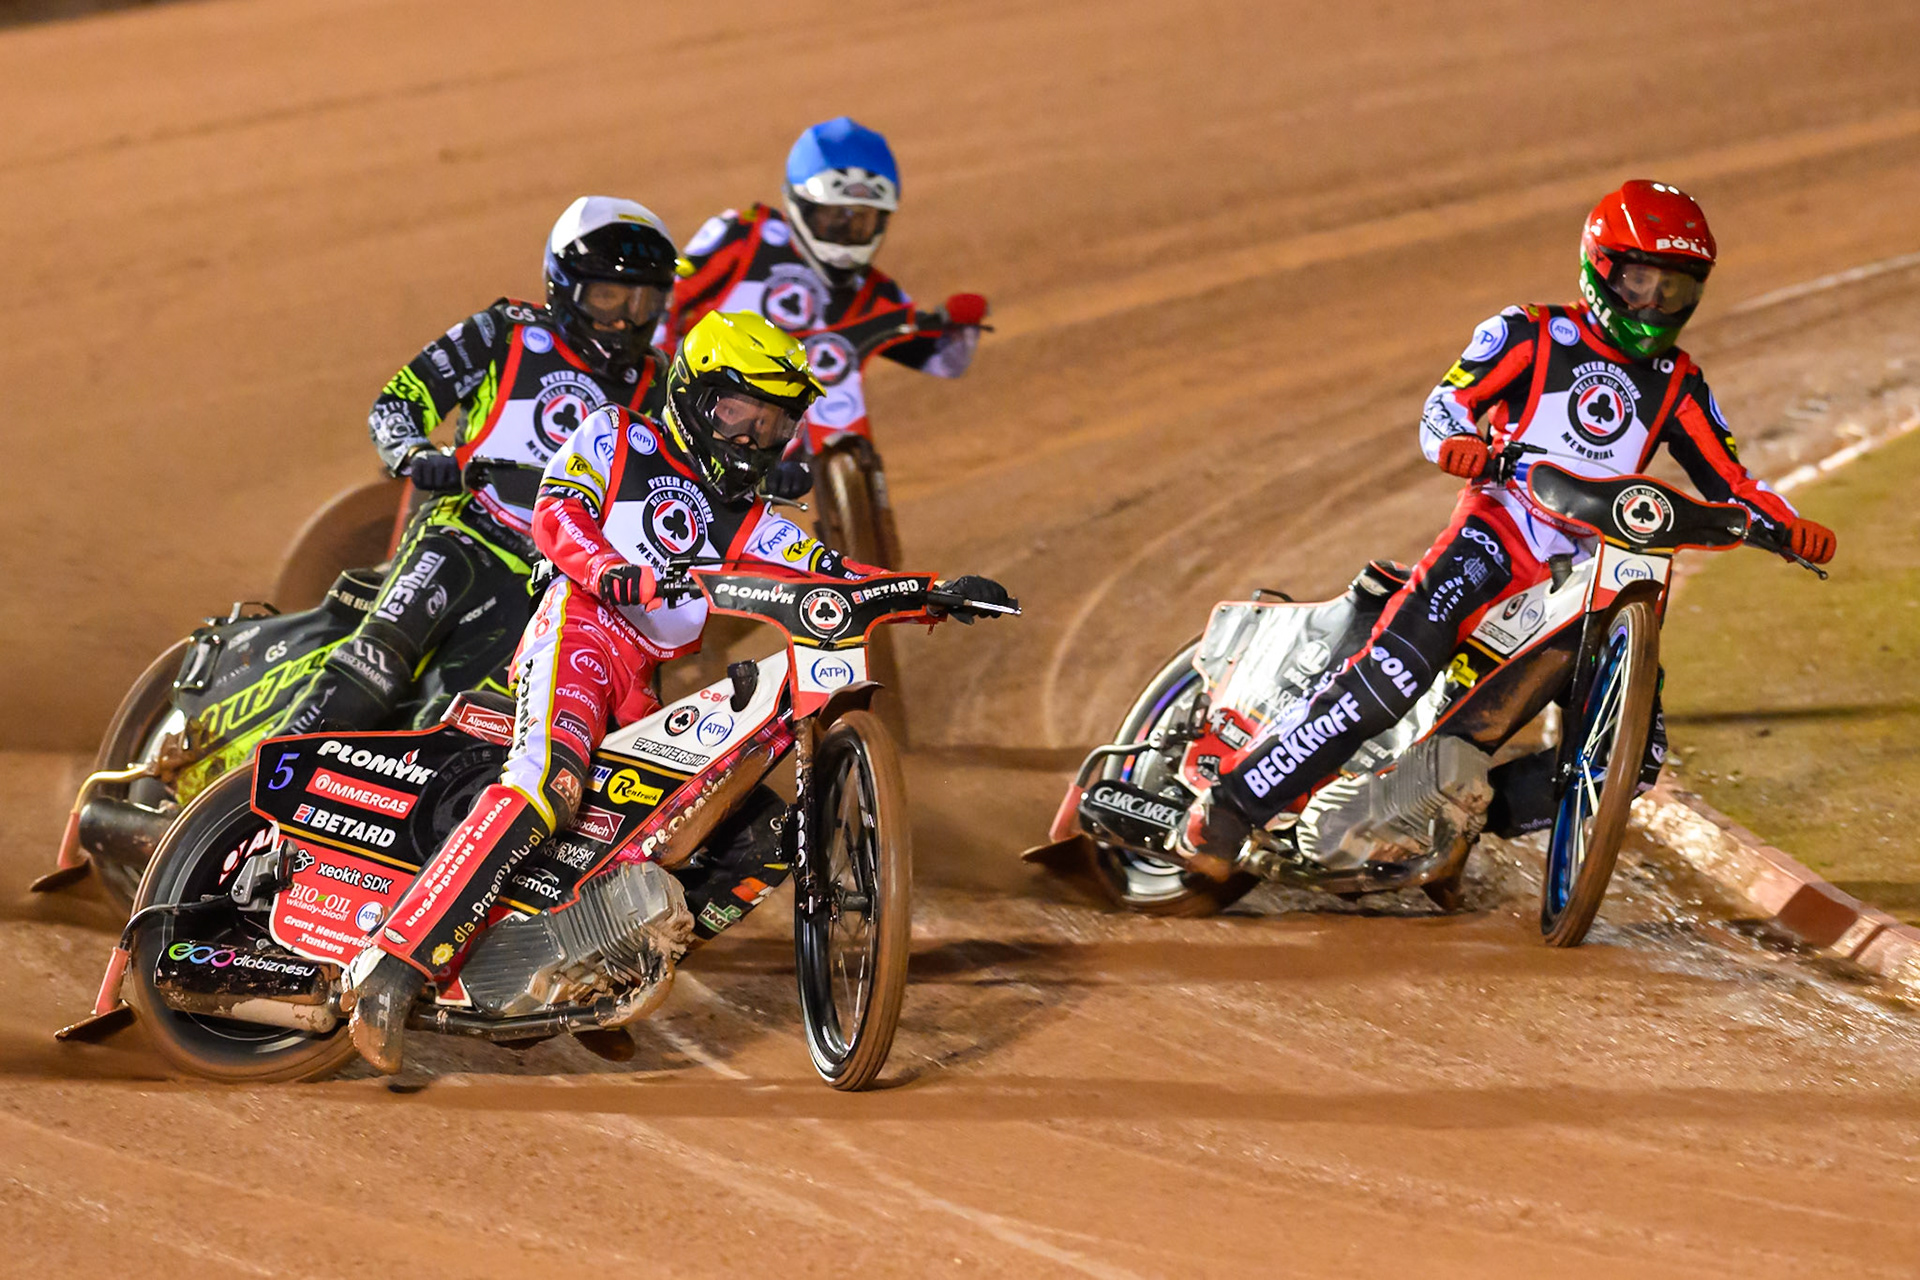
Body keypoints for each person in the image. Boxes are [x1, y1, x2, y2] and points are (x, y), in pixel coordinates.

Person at [342, 311, 1011, 1072]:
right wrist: (606, 571)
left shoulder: (756, 519)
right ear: (693, 396)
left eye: (773, 423)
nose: (753, 438)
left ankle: (601, 971)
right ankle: (392, 967)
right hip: (581, 628)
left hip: (640, 679)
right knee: (548, 784)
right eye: (738, 413)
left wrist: (934, 592)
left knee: (759, 837)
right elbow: (559, 513)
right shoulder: (617, 436)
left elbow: (834, 572)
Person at [1176, 180, 1839, 872]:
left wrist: (1789, 527)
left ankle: (1447, 817)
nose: (1653, 304)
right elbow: (1448, 402)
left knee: (1632, 758)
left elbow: (1732, 481)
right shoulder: (1531, 332)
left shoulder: (1679, 382)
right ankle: (1228, 808)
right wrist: (1457, 441)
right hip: (1497, 532)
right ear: (1599, 269)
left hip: (1593, 569)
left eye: (1674, 290)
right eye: (1640, 281)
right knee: (1395, 672)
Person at [275, 196, 679, 738]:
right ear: (565, 285)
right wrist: (416, 454)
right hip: (466, 531)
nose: (627, 318)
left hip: (553, 582)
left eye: (643, 300)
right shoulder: (505, 333)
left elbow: (680, 474)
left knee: (471, 722)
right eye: (608, 296)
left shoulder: (658, 382)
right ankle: (256, 783)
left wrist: (760, 480)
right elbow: (400, 401)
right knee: (380, 661)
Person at [663, 117, 989, 461]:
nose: (845, 232)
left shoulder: (871, 292)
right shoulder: (743, 236)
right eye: (834, 218)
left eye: (860, 220)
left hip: (800, 435)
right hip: (697, 416)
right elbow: (668, 300)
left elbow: (942, 361)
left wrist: (961, 328)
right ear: (801, 204)